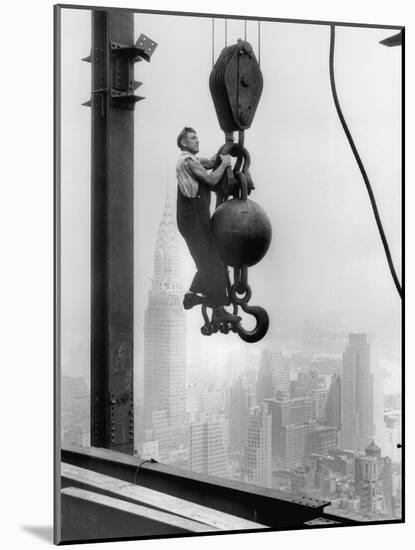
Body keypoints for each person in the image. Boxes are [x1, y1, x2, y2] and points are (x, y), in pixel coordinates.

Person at [176, 127, 241, 325]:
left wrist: (225, 151)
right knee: (210, 262)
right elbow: (212, 181)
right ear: (184, 143)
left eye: (197, 137)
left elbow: (211, 162)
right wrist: (226, 164)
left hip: (197, 217)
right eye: (193, 138)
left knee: (212, 259)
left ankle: (194, 295)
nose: (197, 140)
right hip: (193, 218)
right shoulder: (187, 161)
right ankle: (217, 309)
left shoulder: (194, 160)